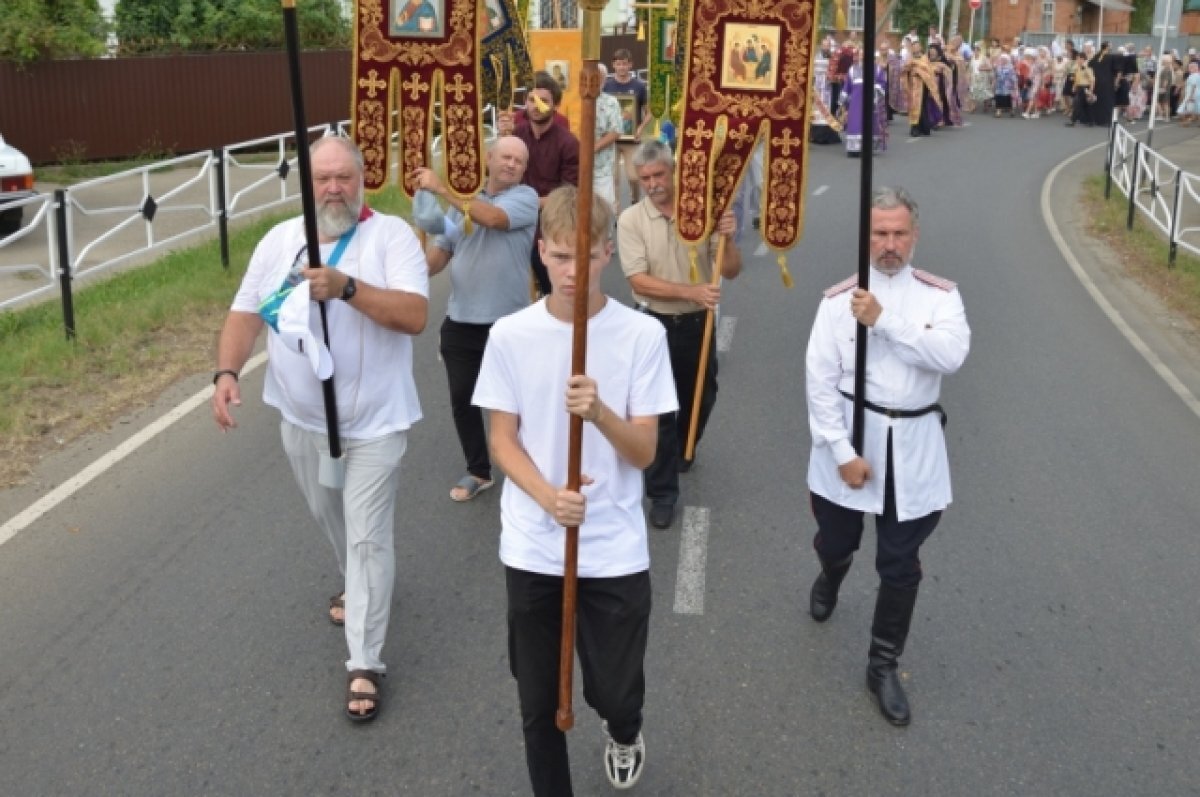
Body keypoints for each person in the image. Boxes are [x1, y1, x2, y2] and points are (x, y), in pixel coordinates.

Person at [211, 135, 429, 722]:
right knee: (330, 517)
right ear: (306, 185)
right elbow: (245, 312)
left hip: (375, 423)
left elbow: (413, 316)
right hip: (302, 419)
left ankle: (365, 663)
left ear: (364, 179)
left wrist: (347, 288)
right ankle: (357, 584)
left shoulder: (392, 237)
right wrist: (227, 372)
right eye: (323, 179)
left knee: (366, 536)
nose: (334, 188)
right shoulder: (280, 241)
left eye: (344, 177)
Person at [473, 186, 677, 796]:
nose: (570, 271)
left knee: (612, 690)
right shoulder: (510, 335)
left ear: (607, 254)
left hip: (612, 542)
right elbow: (502, 441)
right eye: (559, 256)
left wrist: (601, 414)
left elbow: (644, 452)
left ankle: (624, 728)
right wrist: (547, 497)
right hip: (535, 543)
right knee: (539, 701)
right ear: (541, 252)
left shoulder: (642, 337)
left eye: (584, 257)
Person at [804, 186, 970, 727]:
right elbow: (820, 384)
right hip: (850, 436)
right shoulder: (836, 301)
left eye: (899, 233)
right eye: (879, 233)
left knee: (900, 565)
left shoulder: (941, 297)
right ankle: (831, 572)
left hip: (914, 442)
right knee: (838, 540)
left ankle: (883, 664)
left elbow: (950, 355)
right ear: (865, 237)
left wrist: (886, 322)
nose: (890, 244)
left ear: (915, 235)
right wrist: (843, 452)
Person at [617, 140, 744, 529]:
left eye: (658, 175)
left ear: (672, 172)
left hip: (696, 323)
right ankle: (662, 494)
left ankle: (684, 450)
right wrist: (691, 291)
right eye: (645, 178)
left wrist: (728, 237)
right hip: (652, 323)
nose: (653, 184)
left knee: (703, 396)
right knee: (659, 411)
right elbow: (638, 280)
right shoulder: (630, 220)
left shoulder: (702, 213)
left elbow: (732, 270)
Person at [412, 136, 539, 502]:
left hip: (508, 322)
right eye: (506, 156)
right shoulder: (460, 201)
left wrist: (444, 190)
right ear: (489, 158)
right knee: (462, 399)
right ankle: (478, 470)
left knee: (516, 402)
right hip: (461, 317)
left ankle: (527, 465)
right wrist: (413, 273)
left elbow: (494, 219)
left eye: (519, 160)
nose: (512, 164)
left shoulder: (525, 199)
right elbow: (441, 253)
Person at [500, 70, 580, 296]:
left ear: (555, 106)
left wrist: (527, 203)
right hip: (514, 217)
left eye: (544, 101)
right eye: (532, 100)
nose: (537, 105)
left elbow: (569, 195)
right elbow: (496, 175)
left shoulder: (568, 143)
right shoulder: (516, 134)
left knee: (551, 283)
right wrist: (502, 142)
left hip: (551, 221)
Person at [604, 49, 651, 209]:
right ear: (613, 65)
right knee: (614, 177)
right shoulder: (607, 86)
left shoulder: (639, 86)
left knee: (633, 176)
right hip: (611, 139)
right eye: (618, 64)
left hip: (632, 138)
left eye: (625, 64)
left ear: (630, 65)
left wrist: (640, 128)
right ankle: (615, 210)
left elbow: (649, 112)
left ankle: (635, 200)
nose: (622, 67)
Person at [593, 64, 625, 209]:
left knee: (604, 207)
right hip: (576, 163)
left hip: (601, 165)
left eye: (599, 77)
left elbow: (616, 131)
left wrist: (593, 148)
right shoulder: (575, 101)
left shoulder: (611, 102)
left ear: (604, 80)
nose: (594, 80)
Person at [1066, 51, 1095, 127]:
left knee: (1078, 104)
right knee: (1084, 105)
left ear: (1083, 59)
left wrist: (1090, 91)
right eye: (1077, 59)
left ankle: (1073, 121)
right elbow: (1077, 79)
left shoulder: (1087, 68)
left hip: (1085, 88)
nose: (1077, 60)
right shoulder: (1078, 68)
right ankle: (1089, 121)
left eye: (1078, 59)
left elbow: (1092, 80)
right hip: (1079, 87)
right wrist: (1074, 86)